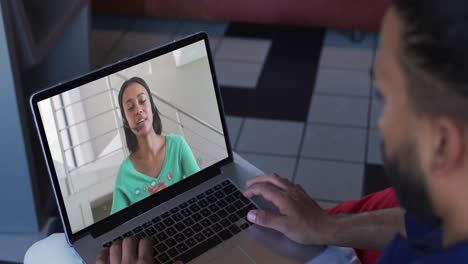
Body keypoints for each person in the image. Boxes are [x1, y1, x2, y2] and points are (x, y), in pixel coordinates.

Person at [100, 0, 468, 262]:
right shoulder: (452, 210)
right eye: (129, 106)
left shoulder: (177, 145)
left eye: (386, 98)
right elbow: (425, 225)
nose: (381, 122)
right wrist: (328, 228)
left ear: (443, 143)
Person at [111, 77, 200, 214]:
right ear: (126, 120)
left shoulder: (178, 145)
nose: (138, 110)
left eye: (142, 102)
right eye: (130, 107)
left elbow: (202, 189)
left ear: (152, 107)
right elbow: (115, 230)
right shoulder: (125, 173)